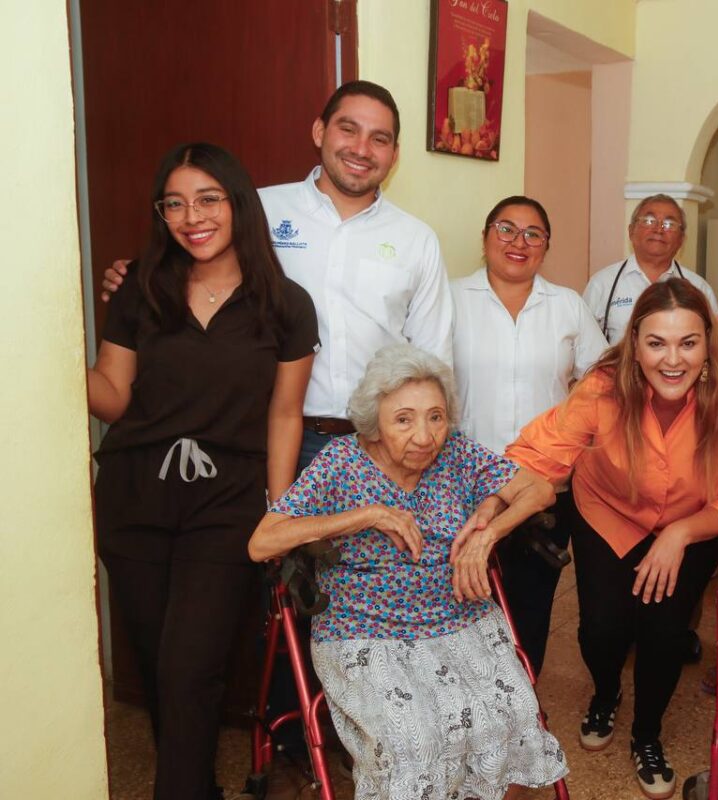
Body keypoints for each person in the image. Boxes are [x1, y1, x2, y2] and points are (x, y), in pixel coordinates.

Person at [87, 142, 318, 800]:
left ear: (238, 204)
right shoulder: (139, 289)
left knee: (191, 666)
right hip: (134, 495)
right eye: (175, 203)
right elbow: (114, 395)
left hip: (228, 500)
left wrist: (278, 512)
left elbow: (284, 415)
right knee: (164, 669)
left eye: (208, 198)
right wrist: (48, 352)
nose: (192, 215)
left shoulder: (285, 305)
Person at [247, 343, 566, 800]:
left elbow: (538, 490)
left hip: (459, 618)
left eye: (435, 417)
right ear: (375, 424)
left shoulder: (457, 454)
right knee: (415, 740)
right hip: (364, 631)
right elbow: (262, 542)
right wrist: (365, 515)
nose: (424, 436)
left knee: (513, 716)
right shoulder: (342, 461)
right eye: (404, 419)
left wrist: (487, 532)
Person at [102, 80, 454, 467]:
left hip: (380, 443)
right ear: (320, 131)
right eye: (348, 129)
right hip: (270, 438)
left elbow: (433, 359)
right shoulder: (259, 211)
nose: (361, 149)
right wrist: (130, 278)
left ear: (395, 154)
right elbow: (186, 264)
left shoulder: (416, 239)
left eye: (379, 139)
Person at [507, 278, 718, 800]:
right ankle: (605, 694)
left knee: (665, 634)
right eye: (657, 343)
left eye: (688, 343)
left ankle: (646, 734)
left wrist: (681, 533)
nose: (673, 360)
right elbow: (540, 450)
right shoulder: (604, 386)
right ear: (635, 344)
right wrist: (483, 503)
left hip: (692, 522)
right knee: (601, 628)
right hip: (608, 511)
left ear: (707, 344)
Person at [451, 195, 607, 675]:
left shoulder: (566, 305)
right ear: (485, 237)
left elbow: (600, 381)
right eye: (506, 229)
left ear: (545, 246)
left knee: (530, 603)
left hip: (544, 485)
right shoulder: (450, 298)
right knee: (462, 601)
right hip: (463, 480)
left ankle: (520, 705)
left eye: (532, 233)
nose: (518, 242)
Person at [583, 193, 718, 344]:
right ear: (631, 231)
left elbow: (713, 346)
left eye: (669, 224)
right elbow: (585, 349)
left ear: (681, 239)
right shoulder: (602, 284)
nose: (658, 230)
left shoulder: (699, 288)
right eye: (649, 221)